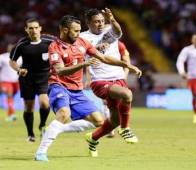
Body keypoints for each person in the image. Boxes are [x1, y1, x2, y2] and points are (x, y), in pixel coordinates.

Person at [34, 15, 141, 161]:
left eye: (79, 31)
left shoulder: (82, 42)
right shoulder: (55, 47)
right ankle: (41, 152)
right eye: (75, 31)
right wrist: (84, 64)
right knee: (64, 113)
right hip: (58, 85)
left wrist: (126, 65)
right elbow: (59, 70)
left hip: (76, 90)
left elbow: (103, 58)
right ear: (64, 30)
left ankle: (56, 129)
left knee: (98, 121)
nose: (78, 34)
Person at [80, 8, 139, 148]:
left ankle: (93, 138)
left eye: (102, 20)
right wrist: (93, 51)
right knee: (127, 94)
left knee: (114, 120)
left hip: (118, 78)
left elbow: (118, 32)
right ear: (88, 23)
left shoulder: (109, 31)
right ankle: (125, 128)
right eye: (96, 22)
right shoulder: (82, 37)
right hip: (99, 80)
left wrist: (112, 19)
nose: (100, 24)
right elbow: (80, 54)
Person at [9, 19, 55, 142]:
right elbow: (12, 61)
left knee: (45, 103)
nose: (33, 30)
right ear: (26, 30)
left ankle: (42, 125)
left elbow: (63, 46)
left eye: (35, 27)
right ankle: (30, 133)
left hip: (45, 77)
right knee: (29, 107)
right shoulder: (21, 44)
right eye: (30, 28)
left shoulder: (50, 41)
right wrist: (19, 69)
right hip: (27, 78)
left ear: (40, 28)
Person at [0, 44, 21, 121]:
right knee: (9, 95)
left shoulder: (19, 58)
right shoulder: (2, 57)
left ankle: (10, 114)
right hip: (5, 81)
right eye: (10, 48)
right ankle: (12, 114)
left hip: (15, 81)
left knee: (12, 97)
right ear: (7, 48)